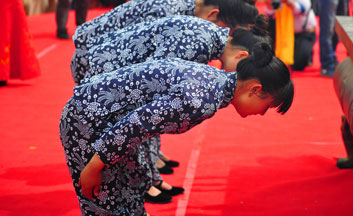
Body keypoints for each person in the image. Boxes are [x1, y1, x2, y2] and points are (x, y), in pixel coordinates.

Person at [60, 43, 293, 215]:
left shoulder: (215, 82)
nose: (261, 114)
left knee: (128, 203)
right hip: (90, 120)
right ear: (254, 89)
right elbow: (135, 125)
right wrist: (93, 166)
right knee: (105, 209)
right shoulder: (202, 99)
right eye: (267, 106)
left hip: (106, 121)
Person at [71, 0, 258, 71]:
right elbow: (143, 62)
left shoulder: (197, 3)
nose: (222, 36)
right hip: (94, 58)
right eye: (223, 30)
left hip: (102, 58)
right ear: (214, 14)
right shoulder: (170, 10)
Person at [264, 0, 316, 71]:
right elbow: (270, 16)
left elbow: (304, 10)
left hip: (302, 32)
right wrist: (268, 4)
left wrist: (289, 2)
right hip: (282, 32)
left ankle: (308, 52)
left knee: (298, 64)